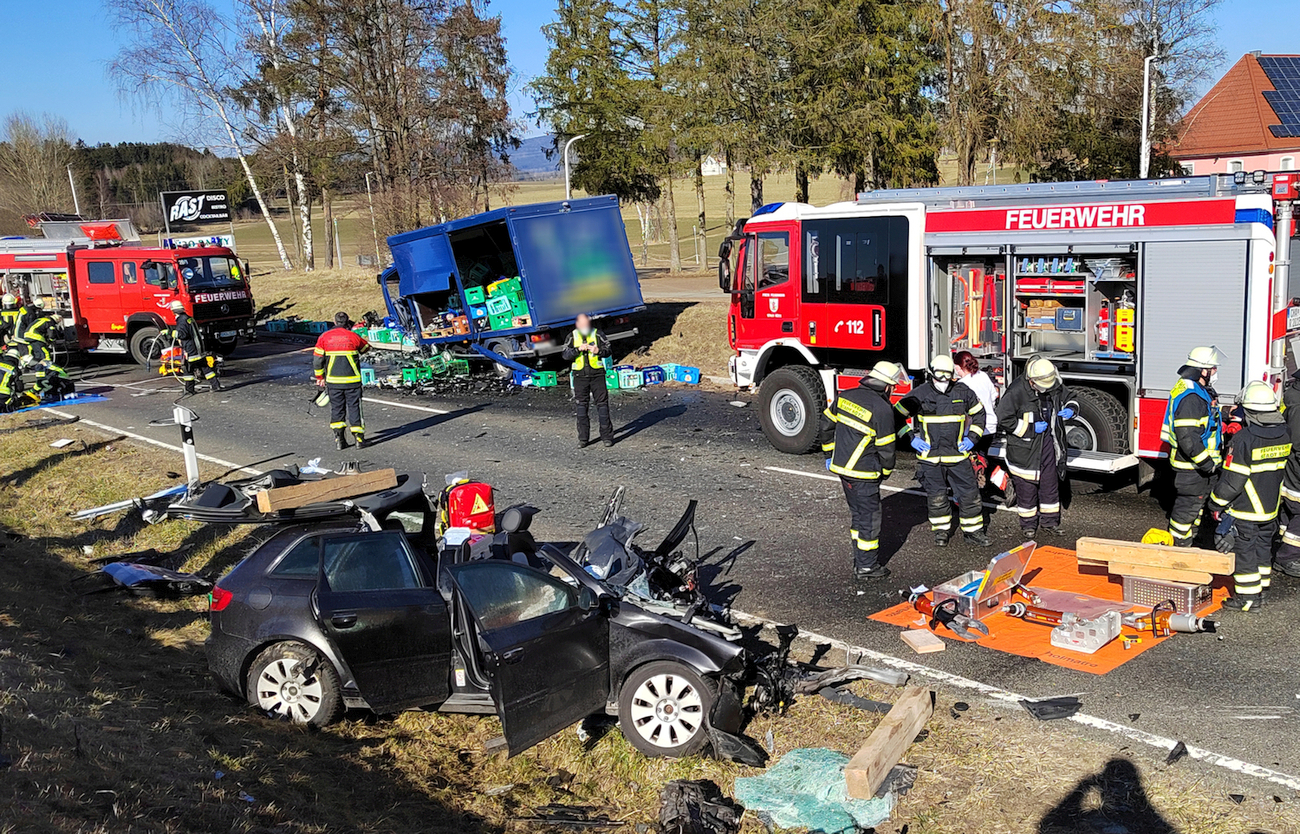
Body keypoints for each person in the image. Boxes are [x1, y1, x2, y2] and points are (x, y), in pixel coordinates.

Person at [820, 360, 909, 580]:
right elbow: (887, 448)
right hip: (865, 473)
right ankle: (867, 566)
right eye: (893, 387)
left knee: (858, 515)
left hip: (842, 469)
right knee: (870, 519)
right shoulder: (882, 409)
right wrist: (886, 472)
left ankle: (859, 558)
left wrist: (829, 454)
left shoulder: (845, 396)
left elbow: (826, 425)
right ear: (887, 386)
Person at [1209, 381, 1291, 611]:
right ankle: (1261, 588)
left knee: (1245, 553)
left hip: (1246, 509)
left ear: (1250, 410)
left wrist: (1215, 502)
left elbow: (1233, 481)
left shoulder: (1244, 439)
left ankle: (1247, 599)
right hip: (1270, 508)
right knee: (1263, 549)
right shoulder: (1285, 433)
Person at [898, 355, 991, 546]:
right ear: (931, 373)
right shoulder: (920, 394)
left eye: (947, 378)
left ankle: (973, 532)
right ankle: (941, 532)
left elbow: (979, 414)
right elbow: (895, 417)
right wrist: (910, 439)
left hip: (958, 455)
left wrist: (972, 438)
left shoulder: (962, 392)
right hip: (930, 457)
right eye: (939, 377)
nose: (943, 382)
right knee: (937, 497)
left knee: (970, 494)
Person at [995, 357, 1077, 538]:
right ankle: (1028, 525)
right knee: (1027, 490)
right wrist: (1030, 429)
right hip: (1025, 449)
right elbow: (1003, 419)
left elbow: (1070, 396)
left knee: (1050, 485)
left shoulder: (1051, 382)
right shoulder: (1016, 391)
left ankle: (1050, 523)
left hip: (1048, 443)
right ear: (1032, 381)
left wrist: (1071, 409)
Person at [1161, 346, 1222, 546]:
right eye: (1212, 368)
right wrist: (1207, 464)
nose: (1214, 372)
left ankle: (1190, 537)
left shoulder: (1194, 388)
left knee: (1195, 506)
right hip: (1192, 468)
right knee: (1187, 508)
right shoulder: (1191, 397)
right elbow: (1188, 438)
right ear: (1202, 371)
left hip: (1194, 467)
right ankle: (1179, 545)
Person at [313, 312, 371, 450]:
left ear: (334, 321)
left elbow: (317, 360)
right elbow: (366, 348)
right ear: (347, 321)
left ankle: (339, 440)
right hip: (353, 381)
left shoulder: (324, 337)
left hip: (334, 382)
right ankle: (359, 440)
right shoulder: (353, 336)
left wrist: (320, 378)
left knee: (337, 409)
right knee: (354, 408)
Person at [562, 313, 614, 448]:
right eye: (582, 323)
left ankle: (607, 437)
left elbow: (608, 350)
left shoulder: (598, 334)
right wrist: (578, 349)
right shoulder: (572, 336)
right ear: (577, 324)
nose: (584, 326)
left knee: (602, 406)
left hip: (597, 375)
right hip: (580, 377)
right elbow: (565, 355)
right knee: (581, 408)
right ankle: (583, 439)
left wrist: (599, 351)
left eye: (587, 323)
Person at [1274, 368, 1300, 577]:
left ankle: (1281, 542)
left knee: (1290, 509)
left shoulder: (1293, 396)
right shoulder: (1298, 407)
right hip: (1296, 470)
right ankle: (1288, 557)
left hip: (1290, 467)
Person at [166, 300, 220, 395]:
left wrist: (169, 333)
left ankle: (189, 390)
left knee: (188, 369)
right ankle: (216, 385)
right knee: (205, 367)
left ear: (173, 311)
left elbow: (182, 334)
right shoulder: (188, 318)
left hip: (191, 350)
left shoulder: (181, 320)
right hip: (198, 348)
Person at [953, 351, 998, 438]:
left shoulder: (962, 384)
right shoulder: (983, 375)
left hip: (973, 428)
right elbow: (993, 395)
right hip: (990, 425)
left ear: (958, 367)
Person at [15, 297, 58, 362]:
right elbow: (31, 325)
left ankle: (30, 365)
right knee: (27, 353)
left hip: (18, 333)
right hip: (22, 335)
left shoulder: (25, 309)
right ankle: (31, 365)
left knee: (29, 352)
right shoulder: (31, 313)